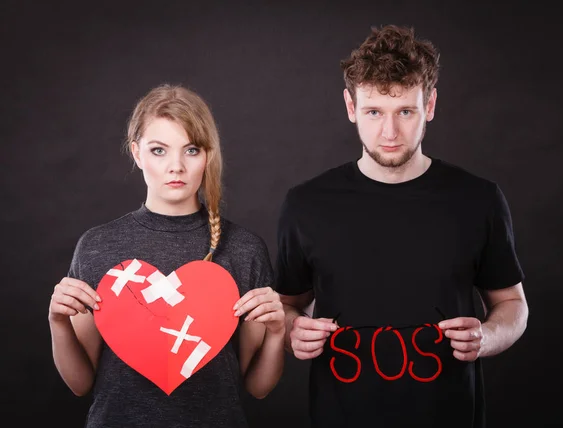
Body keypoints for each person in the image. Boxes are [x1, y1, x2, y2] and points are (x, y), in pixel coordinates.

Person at [275, 25, 529, 428]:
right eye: (374, 111)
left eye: (405, 112)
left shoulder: (478, 198)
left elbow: (513, 305)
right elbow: (288, 306)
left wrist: (487, 337)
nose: (389, 132)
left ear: (429, 105)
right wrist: (292, 331)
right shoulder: (305, 204)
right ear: (350, 107)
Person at [48, 83, 285, 428]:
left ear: (208, 155)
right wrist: (57, 323)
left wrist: (277, 333)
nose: (176, 166)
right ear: (136, 153)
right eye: (159, 150)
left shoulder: (243, 249)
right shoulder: (98, 246)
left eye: (191, 150)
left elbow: (257, 387)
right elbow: (81, 383)